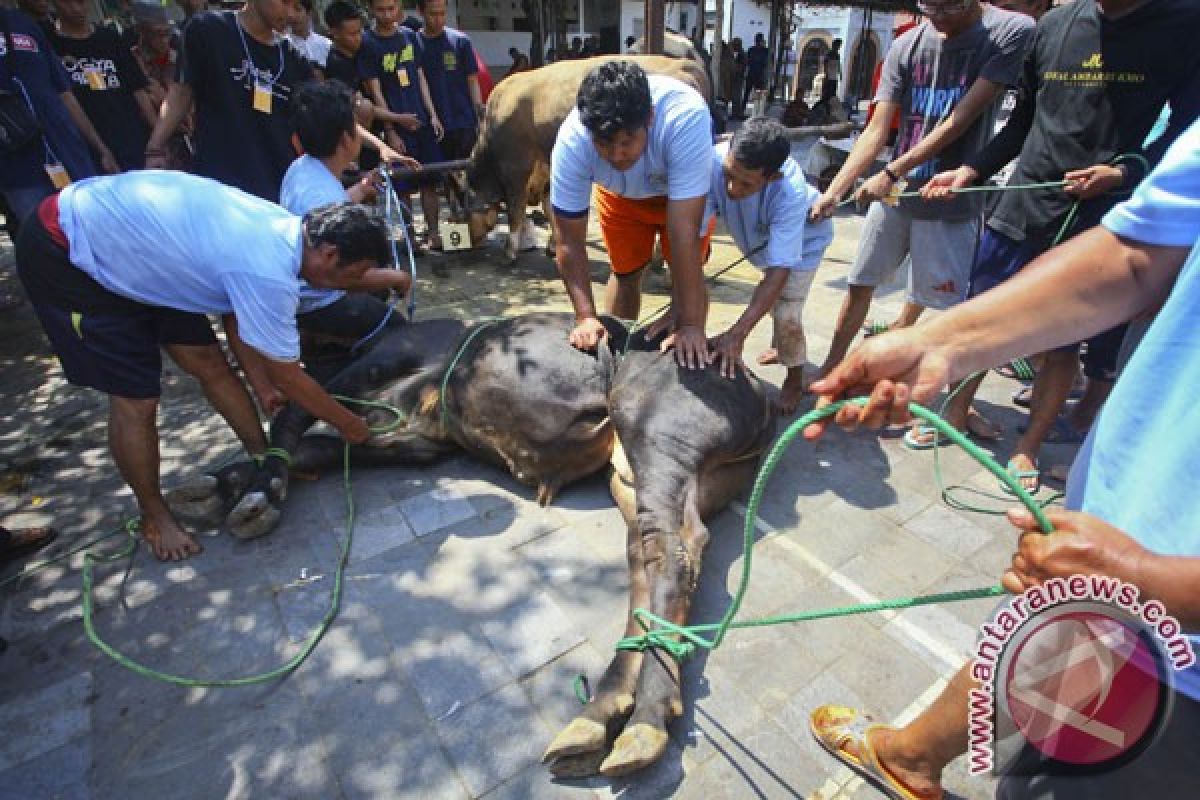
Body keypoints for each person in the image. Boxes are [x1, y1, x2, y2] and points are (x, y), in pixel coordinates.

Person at [804, 111, 1200, 800]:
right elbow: (1138, 256)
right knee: (1040, 656)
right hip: (1101, 567)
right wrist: (945, 342)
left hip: (1178, 678)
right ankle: (910, 757)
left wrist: (1152, 580)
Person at [15, 171, 385, 561]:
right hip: (70, 250)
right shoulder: (267, 269)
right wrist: (350, 425)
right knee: (137, 400)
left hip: (144, 256)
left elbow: (237, 318)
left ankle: (267, 461)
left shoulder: (287, 232)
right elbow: (289, 376)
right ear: (329, 254)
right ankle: (154, 515)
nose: (352, 284)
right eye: (354, 274)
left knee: (210, 363)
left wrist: (262, 386)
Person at [909, 0, 1200, 491]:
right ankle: (955, 412)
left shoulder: (1185, 23)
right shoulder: (1054, 26)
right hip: (1023, 202)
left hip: (1097, 214)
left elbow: (1186, 130)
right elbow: (1022, 120)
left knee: (1064, 339)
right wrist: (972, 169)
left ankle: (1028, 448)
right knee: (984, 313)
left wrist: (1125, 172)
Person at [809, 1, 1033, 384]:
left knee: (945, 308)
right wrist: (836, 189)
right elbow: (877, 129)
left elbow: (960, 119)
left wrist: (893, 170)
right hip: (898, 195)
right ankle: (835, 367)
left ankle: (920, 390)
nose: (937, 20)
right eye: (929, 10)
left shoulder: (1010, 32)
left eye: (946, 10)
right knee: (860, 282)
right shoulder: (907, 45)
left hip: (951, 200)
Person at [550, 60, 714, 369]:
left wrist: (691, 324)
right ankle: (617, 358)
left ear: (649, 119)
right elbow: (569, 241)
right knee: (625, 274)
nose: (616, 155)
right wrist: (585, 316)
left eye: (627, 142)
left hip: (678, 196)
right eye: (604, 145)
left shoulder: (685, 117)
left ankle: (690, 342)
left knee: (686, 280)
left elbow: (684, 231)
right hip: (619, 195)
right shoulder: (573, 141)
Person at [706, 117, 834, 414]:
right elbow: (694, 232)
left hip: (805, 243)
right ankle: (782, 350)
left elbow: (779, 273)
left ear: (771, 178)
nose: (732, 188)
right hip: (761, 242)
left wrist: (736, 335)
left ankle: (794, 377)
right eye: (728, 174)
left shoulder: (790, 192)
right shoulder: (712, 160)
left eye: (746, 183)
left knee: (787, 311)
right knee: (772, 303)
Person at [282, 80, 413, 353]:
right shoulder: (320, 195)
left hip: (306, 288)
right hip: (320, 299)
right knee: (397, 329)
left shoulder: (302, 169)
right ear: (346, 139)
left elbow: (334, 207)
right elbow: (343, 276)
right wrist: (398, 278)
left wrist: (363, 188)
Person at [0, 4, 109, 227]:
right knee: (53, 243)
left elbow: (64, 93)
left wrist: (100, 147)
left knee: (100, 229)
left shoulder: (23, 24)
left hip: (69, 153)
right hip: (20, 171)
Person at [363, 0, 441, 242]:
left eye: (391, 8)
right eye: (380, 10)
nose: (387, 15)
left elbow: (420, 77)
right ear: (371, 10)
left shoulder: (410, 36)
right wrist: (392, 131)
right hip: (398, 125)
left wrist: (433, 114)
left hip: (422, 120)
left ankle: (434, 232)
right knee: (405, 186)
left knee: (431, 181)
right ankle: (410, 238)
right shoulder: (368, 43)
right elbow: (375, 91)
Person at [49, 0, 157, 172]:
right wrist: (101, 150)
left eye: (81, 2)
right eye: (67, 3)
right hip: (91, 149)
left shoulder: (110, 38)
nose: (76, 8)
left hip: (133, 139)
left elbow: (138, 90)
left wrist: (158, 139)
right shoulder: (51, 45)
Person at [417, 0, 482, 249]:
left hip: (462, 123)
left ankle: (465, 238)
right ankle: (436, 234)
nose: (438, 19)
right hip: (432, 126)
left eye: (442, 13)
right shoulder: (414, 44)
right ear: (421, 12)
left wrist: (479, 115)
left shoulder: (460, 42)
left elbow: (472, 80)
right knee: (435, 182)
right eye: (432, 14)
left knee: (462, 183)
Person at [131, 1, 191, 170]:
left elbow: (187, 107)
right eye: (158, 34)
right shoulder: (133, 62)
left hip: (187, 141)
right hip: (156, 146)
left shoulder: (179, 57)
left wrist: (163, 98)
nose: (165, 40)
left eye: (168, 33)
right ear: (141, 31)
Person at [287, 0, 331, 70]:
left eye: (298, 10)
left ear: (309, 13)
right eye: (289, 12)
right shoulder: (285, 46)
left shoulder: (326, 44)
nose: (293, 16)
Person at [741, 33, 769, 116]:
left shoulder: (762, 50)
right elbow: (748, 62)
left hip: (756, 74)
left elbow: (748, 62)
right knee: (749, 94)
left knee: (755, 94)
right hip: (755, 74)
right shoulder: (761, 50)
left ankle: (757, 111)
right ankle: (755, 111)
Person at [729, 37, 746, 119]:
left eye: (736, 44)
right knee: (735, 96)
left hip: (738, 78)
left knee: (737, 97)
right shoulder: (732, 53)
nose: (734, 46)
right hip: (733, 78)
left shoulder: (741, 54)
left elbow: (742, 66)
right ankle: (735, 113)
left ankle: (736, 114)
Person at [820, 37, 841, 104]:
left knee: (832, 94)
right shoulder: (829, 54)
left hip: (834, 77)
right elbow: (825, 64)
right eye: (838, 45)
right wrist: (826, 75)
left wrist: (840, 73)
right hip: (828, 77)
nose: (838, 47)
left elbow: (838, 64)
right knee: (826, 94)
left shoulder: (837, 55)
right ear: (834, 45)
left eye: (839, 46)